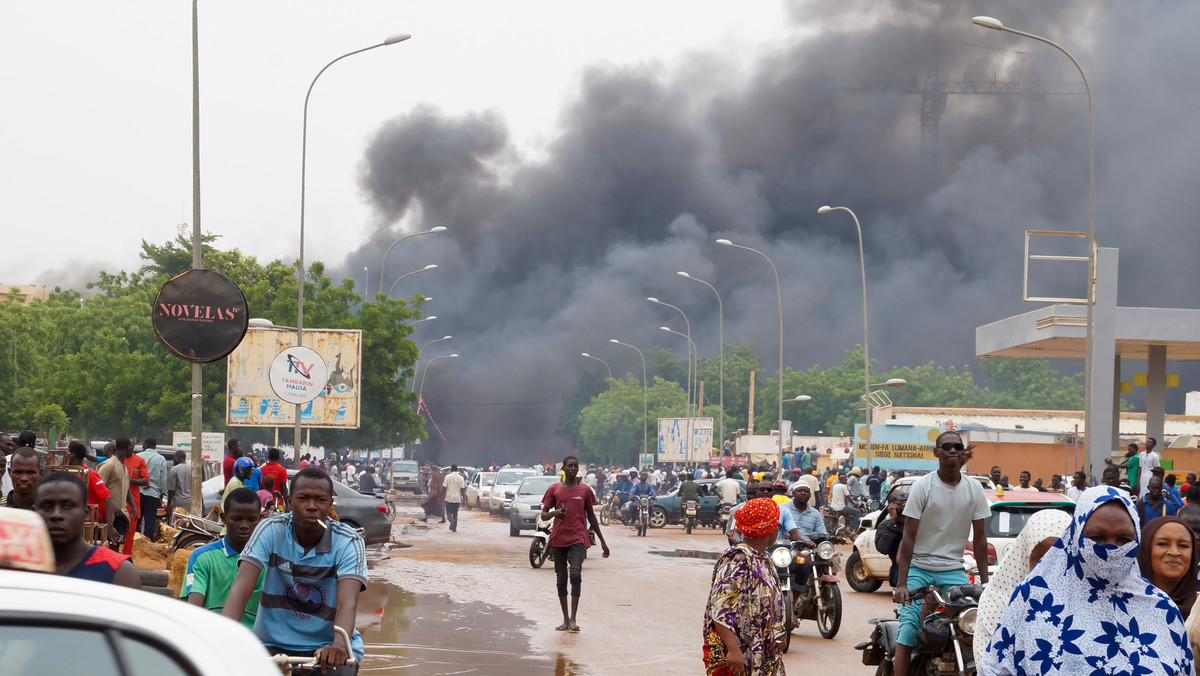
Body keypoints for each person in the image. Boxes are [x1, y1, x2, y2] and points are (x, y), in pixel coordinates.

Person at [980, 486, 1193, 676]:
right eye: (1098, 538)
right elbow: (995, 668)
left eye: (1123, 540)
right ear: (1075, 538)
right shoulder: (1034, 600)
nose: (1110, 550)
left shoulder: (1162, 609)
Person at [223, 467, 367, 674]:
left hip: (327, 647)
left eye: (320, 500)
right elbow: (240, 590)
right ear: (289, 502)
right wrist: (223, 638)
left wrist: (339, 646)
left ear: (330, 504)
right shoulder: (271, 529)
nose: (312, 506)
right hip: (270, 646)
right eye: (303, 499)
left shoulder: (348, 541)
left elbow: (348, 603)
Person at [892, 431, 990, 676]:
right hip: (919, 569)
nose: (953, 450)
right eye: (946, 447)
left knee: (973, 626)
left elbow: (979, 540)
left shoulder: (974, 488)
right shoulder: (923, 487)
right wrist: (902, 584)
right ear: (936, 452)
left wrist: (986, 584)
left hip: (953, 571)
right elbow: (908, 539)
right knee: (908, 627)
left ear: (964, 452)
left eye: (958, 446)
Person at [972, 508, 1072, 668]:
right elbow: (990, 667)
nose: (1051, 569)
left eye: (1061, 559)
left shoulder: (1085, 600)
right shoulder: (997, 602)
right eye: (1041, 560)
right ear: (1025, 556)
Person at [702, 497, 786, 675]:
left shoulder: (762, 559)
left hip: (762, 653)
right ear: (770, 531)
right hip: (742, 656)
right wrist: (733, 650)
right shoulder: (738, 561)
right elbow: (721, 609)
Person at [33, 471, 140, 589]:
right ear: (34, 512)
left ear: (87, 513)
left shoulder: (118, 572)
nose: (56, 515)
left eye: (67, 506)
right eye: (47, 507)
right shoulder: (18, 566)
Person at [540, 456, 609, 632]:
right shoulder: (553, 490)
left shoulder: (585, 490)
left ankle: (573, 619)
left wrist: (602, 541)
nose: (572, 469)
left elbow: (591, 516)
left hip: (578, 538)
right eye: (569, 466)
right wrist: (556, 513)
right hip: (558, 539)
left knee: (576, 574)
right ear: (563, 468)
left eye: (575, 466)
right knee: (561, 578)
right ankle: (564, 619)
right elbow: (543, 516)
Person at [183, 487, 266, 628]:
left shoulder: (267, 560)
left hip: (255, 642)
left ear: (260, 519)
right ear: (223, 518)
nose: (244, 526)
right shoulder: (201, 557)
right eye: (237, 519)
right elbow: (194, 608)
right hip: (212, 636)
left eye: (251, 520)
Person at [1138, 516, 1198, 620]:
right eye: (1163, 544)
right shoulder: (1122, 605)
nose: (1174, 552)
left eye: (1183, 545)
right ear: (1145, 550)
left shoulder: (1197, 610)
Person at [65, 441, 119, 545]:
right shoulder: (67, 474)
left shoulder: (90, 474)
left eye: (67, 453)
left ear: (73, 455)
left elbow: (107, 498)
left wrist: (109, 525)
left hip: (92, 523)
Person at [137, 438, 167, 540]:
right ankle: (147, 542)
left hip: (138, 492)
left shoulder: (138, 456)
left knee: (136, 519)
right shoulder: (161, 459)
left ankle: (134, 540)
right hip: (153, 494)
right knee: (150, 521)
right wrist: (162, 493)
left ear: (146, 444)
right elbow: (163, 479)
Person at [166, 449, 192, 524]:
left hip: (178, 503)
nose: (173, 460)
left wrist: (168, 505)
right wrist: (202, 503)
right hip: (191, 502)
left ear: (179, 458)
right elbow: (198, 489)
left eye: (174, 458)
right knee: (189, 524)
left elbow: (171, 490)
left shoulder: (174, 470)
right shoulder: (193, 469)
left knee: (176, 525)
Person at [443, 464, 466, 532]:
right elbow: (462, 489)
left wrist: (440, 496)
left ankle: (451, 520)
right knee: (455, 513)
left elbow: (444, 487)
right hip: (457, 498)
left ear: (451, 470)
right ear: (457, 470)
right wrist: (464, 499)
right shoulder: (461, 478)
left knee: (448, 512)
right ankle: (454, 528)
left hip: (449, 497)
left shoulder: (447, 477)